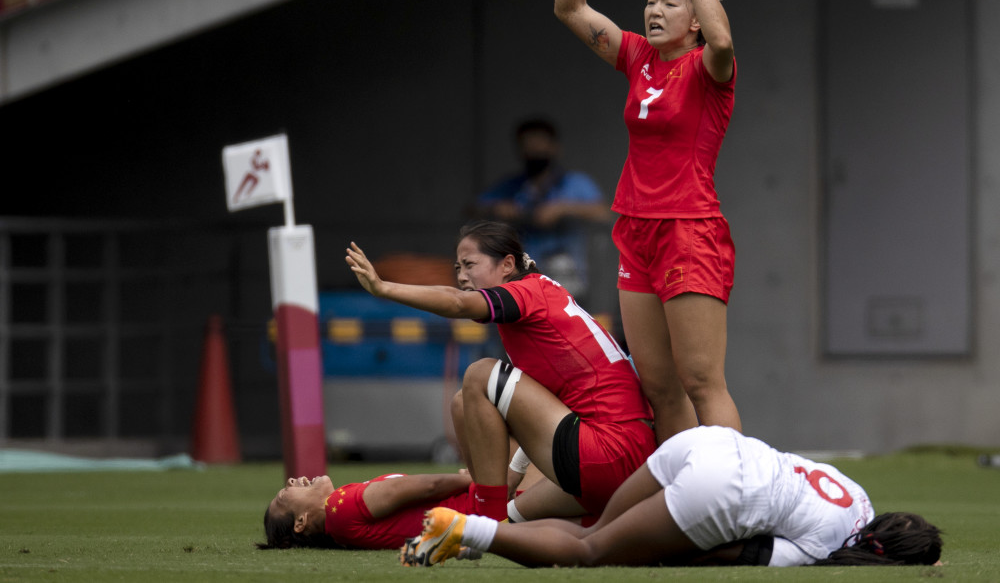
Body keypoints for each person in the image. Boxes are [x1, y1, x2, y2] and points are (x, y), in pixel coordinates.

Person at [554, 0, 740, 443]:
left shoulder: (710, 70)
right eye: (652, 1)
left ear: (696, 20)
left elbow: (725, 39)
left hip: (689, 230)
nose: (655, 10)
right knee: (658, 385)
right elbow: (569, 8)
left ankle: (741, 502)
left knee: (702, 380)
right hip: (635, 228)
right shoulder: (639, 57)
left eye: (670, 3)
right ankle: (684, 507)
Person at [345, 220, 655, 524]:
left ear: (507, 264)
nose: (463, 277)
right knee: (464, 405)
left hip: (608, 454)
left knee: (481, 375)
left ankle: (486, 519)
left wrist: (383, 288)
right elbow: (556, 404)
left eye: (470, 265)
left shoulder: (526, 293)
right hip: (626, 461)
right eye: (457, 269)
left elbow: (457, 303)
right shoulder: (542, 293)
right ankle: (501, 513)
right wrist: (514, 474)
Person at [400, 425, 944, 568]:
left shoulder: (858, 494)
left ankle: (465, 542)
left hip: (706, 444)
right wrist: (660, 550)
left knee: (594, 531)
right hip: (724, 490)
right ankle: (467, 529)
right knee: (594, 554)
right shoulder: (830, 548)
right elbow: (735, 554)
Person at [472, 118, 610, 303]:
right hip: (525, 277)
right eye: (528, 145)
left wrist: (562, 209)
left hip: (569, 277)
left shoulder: (574, 182)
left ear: (554, 147)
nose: (534, 150)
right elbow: (473, 208)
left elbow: (603, 213)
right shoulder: (512, 186)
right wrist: (497, 208)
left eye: (539, 144)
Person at [257, 470, 481, 550]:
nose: (291, 480)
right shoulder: (339, 509)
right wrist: (476, 481)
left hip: (476, 507)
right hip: (482, 508)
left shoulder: (338, 518)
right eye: (284, 494)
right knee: (466, 396)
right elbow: (429, 487)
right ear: (300, 522)